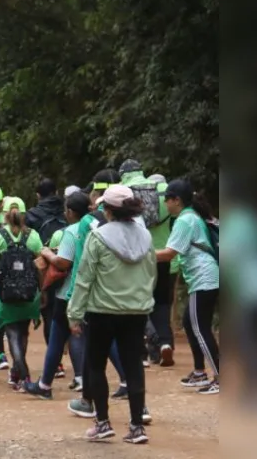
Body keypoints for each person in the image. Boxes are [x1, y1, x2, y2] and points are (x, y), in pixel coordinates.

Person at [67, 185, 156, 444]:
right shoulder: (146, 237)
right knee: (133, 366)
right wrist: (144, 301)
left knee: (96, 364)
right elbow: (151, 274)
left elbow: (84, 278)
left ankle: (103, 422)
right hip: (136, 311)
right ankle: (137, 426)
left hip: (102, 311)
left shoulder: (98, 237)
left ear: (108, 210)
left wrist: (74, 313)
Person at [24, 191, 94, 399]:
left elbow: (63, 262)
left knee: (56, 338)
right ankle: (124, 379)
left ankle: (45, 385)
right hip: (92, 290)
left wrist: (46, 253)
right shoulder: (96, 228)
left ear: (71, 212)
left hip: (68, 292)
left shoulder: (71, 232)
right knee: (101, 338)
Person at [156, 179, 220, 394]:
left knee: (200, 328)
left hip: (204, 278)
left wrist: (140, 253)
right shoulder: (191, 217)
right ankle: (200, 372)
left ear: (177, 200)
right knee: (190, 323)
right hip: (205, 278)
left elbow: (168, 253)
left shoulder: (185, 220)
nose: (165, 204)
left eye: (167, 199)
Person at [0, 199, 43, 390]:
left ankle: (22, 372)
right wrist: (42, 290)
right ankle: (16, 373)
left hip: (4, 292)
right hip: (30, 292)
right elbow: (41, 264)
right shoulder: (33, 236)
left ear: (4, 214)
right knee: (23, 331)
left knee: (11, 332)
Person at [120, 159, 175, 367]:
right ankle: (165, 343)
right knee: (161, 302)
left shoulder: (123, 191)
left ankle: (142, 350)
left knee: (138, 302)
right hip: (164, 254)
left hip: (136, 256)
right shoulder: (164, 188)